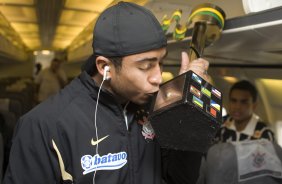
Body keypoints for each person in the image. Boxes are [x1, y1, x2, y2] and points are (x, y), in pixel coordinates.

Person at [3, 2, 209, 184]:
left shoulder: (158, 105)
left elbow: (181, 178)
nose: (158, 78)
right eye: (146, 66)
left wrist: (190, 106)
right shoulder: (43, 126)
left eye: (161, 63)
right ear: (104, 67)